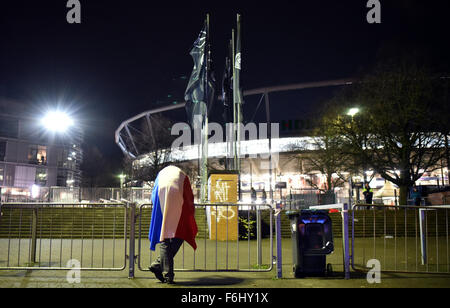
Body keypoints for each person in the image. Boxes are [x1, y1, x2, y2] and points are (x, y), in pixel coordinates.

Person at [148, 165, 198, 284]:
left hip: (162, 196)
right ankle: (166, 272)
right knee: (180, 234)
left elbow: (154, 193)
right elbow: (188, 195)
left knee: (164, 236)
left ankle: (161, 268)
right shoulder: (182, 174)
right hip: (178, 197)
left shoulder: (161, 174)